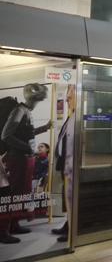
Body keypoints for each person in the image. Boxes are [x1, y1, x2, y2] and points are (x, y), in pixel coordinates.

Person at [0, 83, 51, 244]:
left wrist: (44, 128)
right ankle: (3, 230)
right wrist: (26, 148)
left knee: (21, 194)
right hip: (18, 159)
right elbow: (6, 135)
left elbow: (24, 133)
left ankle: (14, 224)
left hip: (24, 158)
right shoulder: (19, 110)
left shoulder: (25, 111)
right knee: (13, 195)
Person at [51, 85, 75, 242]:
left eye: (70, 97)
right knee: (67, 199)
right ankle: (67, 225)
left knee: (72, 199)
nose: (66, 99)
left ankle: (72, 230)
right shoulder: (71, 116)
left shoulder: (78, 117)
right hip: (65, 165)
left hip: (72, 167)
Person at [27, 142, 50, 221]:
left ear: (47, 149)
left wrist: (33, 177)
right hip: (29, 177)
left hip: (36, 178)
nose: (39, 148)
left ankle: (30, 211)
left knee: (30, 189)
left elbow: (44, 172)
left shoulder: (47, 160)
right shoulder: (35, 157)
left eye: (42, 147)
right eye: (38, 147)